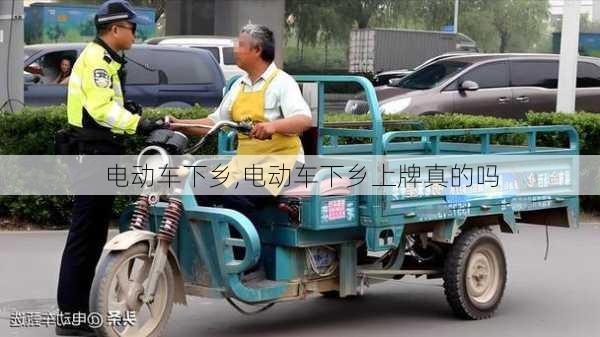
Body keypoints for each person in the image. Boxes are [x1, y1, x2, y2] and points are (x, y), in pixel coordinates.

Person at [55, 1, 161, 336]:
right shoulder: (97, 60)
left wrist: (130, 111)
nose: (134, 34)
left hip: (100, 153)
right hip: (95, 155)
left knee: (92, 234)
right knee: (85, 236)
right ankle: (70, 319)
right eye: (131, 28)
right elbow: (101, 110)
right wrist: (138, 124)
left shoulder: (105, 60)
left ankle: (80, 311)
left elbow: (106, 104)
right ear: (114, 29)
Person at [169, 24, 313, 224]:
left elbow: (304, 119)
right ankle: (211, 250)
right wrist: (179, 124)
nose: (235, 49)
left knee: (236, 195)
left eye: (240, 45)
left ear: (257, 50)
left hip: (283, 165)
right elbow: (214, 122)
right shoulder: (239, 85)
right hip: (243, 165)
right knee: (195, 188)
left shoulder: (283, 82)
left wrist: (272, 126)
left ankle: (247, 253)